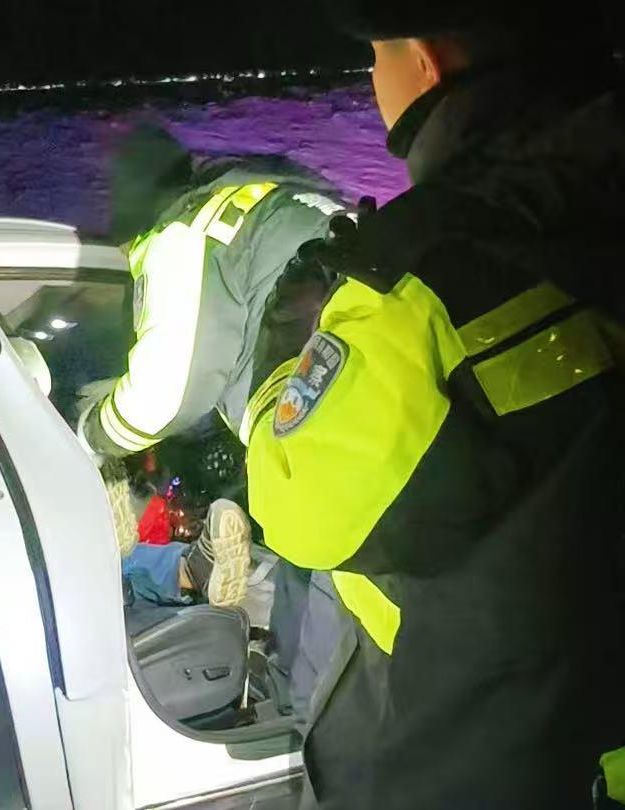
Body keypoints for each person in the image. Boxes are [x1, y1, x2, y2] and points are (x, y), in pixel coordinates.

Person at [242, 3, 625, 807]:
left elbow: (300, 508)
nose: (373, 79)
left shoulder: (418, 285)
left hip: (484, 759)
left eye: (376, 58)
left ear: (424, 61)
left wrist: (285, 355)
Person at [79, 125, 349, 607]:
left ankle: (173, 566)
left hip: (324, 446)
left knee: (318, 616)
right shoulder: (279, 205)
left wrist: (90, 438)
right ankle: (189, 567)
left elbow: (165, 398)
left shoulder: (182, 234)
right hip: (394, 419)